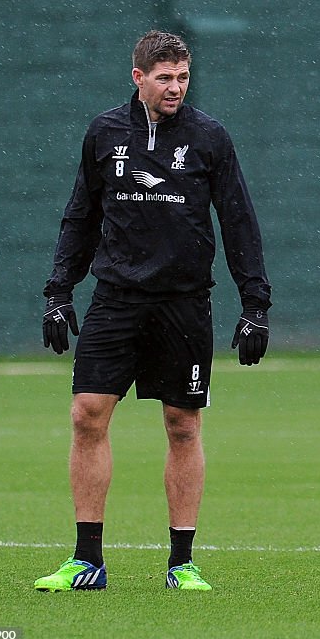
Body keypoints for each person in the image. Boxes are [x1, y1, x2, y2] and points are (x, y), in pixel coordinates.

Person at [36, 30, 271, 592]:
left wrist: (255, 304)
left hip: (183, 302)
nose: (176, 88)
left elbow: (238, 220)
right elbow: (80, 215)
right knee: (86, 413)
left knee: (182, 424)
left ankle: (181, 563)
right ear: (138, 77)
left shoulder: (209, 137)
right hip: (115, 298)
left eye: (183, 78)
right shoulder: (104, 132)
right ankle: (87, 561)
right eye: (164, 78)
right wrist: (58, 290)